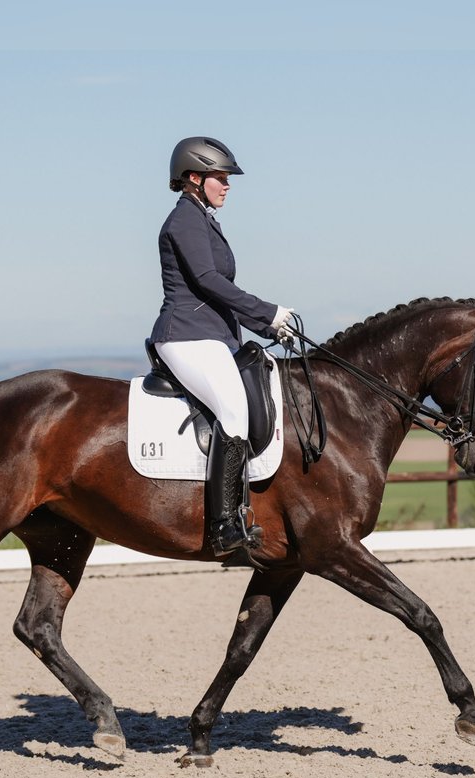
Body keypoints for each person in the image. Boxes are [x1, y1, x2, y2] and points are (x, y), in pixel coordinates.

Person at [148, 136, 295, 559]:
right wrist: (267, 312)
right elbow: (209, 282)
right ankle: (224, 524)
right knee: (234, 410)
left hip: (211, 335)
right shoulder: (184, 221)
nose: (227, 185)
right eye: (220, 177)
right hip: (185, 335)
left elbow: (219, 293)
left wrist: (265, 327)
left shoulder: (204, 219)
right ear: (195, 178)